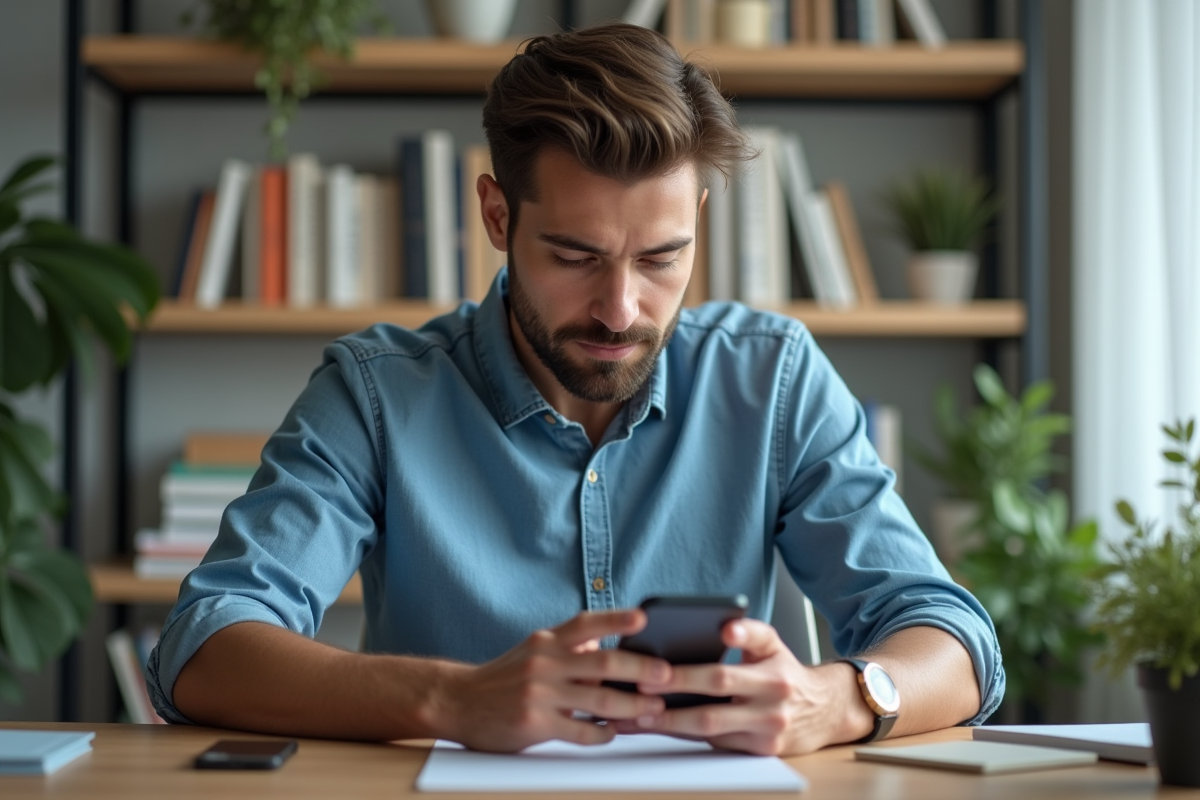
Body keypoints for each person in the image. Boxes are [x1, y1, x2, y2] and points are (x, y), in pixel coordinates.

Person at [148, 22, 1003, 756]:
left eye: (662, 258)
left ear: (699, 219)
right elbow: (203, 647)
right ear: (496, 217)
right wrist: (455, 700)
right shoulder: (376, 395)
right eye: (575, 256)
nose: (621, 309)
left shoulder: (771, 378)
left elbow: (953, 639)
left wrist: (842, 700)